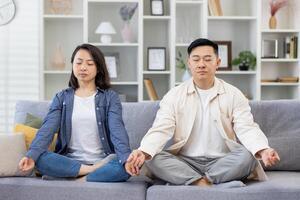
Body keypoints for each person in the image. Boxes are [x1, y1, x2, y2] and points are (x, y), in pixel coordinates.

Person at [126, 38, 280, 187]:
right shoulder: (174, 95)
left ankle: (196, 181)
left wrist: (263, 149)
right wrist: (143, 151)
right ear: (189, 63)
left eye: (207, 59)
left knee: (248, 156)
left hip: (223, 160)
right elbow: (161, 129)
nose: (201, 64)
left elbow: (246, 127)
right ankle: (208, 182)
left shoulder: (234, 94)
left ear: (217, 63)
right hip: (185, 161)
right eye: (196, 59)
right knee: (153, 158)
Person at [19, 44, 131, 182]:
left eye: (90, 63)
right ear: (73, 65)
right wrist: (31, 156)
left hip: (104, 159)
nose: (83, 67)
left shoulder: (110, 97)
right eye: (79, 62)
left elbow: (117, 131)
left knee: (125, 166)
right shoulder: (62, 97)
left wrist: (127, 160)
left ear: (98, 68)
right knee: (40, 158)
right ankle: (91, 173)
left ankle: (75, 178)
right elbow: (47, 129)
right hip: (69, 160)